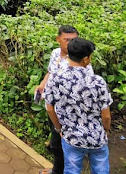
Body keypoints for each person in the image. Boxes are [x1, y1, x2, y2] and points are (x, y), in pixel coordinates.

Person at [45, 38, 112, 174]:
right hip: (96, 138)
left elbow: (49, 108)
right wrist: (106, 130)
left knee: (72, 170)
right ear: (86, 59)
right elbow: (106, 115)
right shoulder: (98, 81)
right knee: (101, 170)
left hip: (71, 137)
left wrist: (59, 129)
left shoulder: (56, 78)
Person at [35, 26, 93, 174]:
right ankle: (58, 168)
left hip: (68, 113)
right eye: (67, 40)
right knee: (57, 142)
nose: (70, 43)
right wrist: (42, 85)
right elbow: (50, 72)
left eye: (73, 40)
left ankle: (58, 171)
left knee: (62, 145)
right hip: (52, 107)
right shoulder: (55, 53)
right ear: (58, 39)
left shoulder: (81, 63)